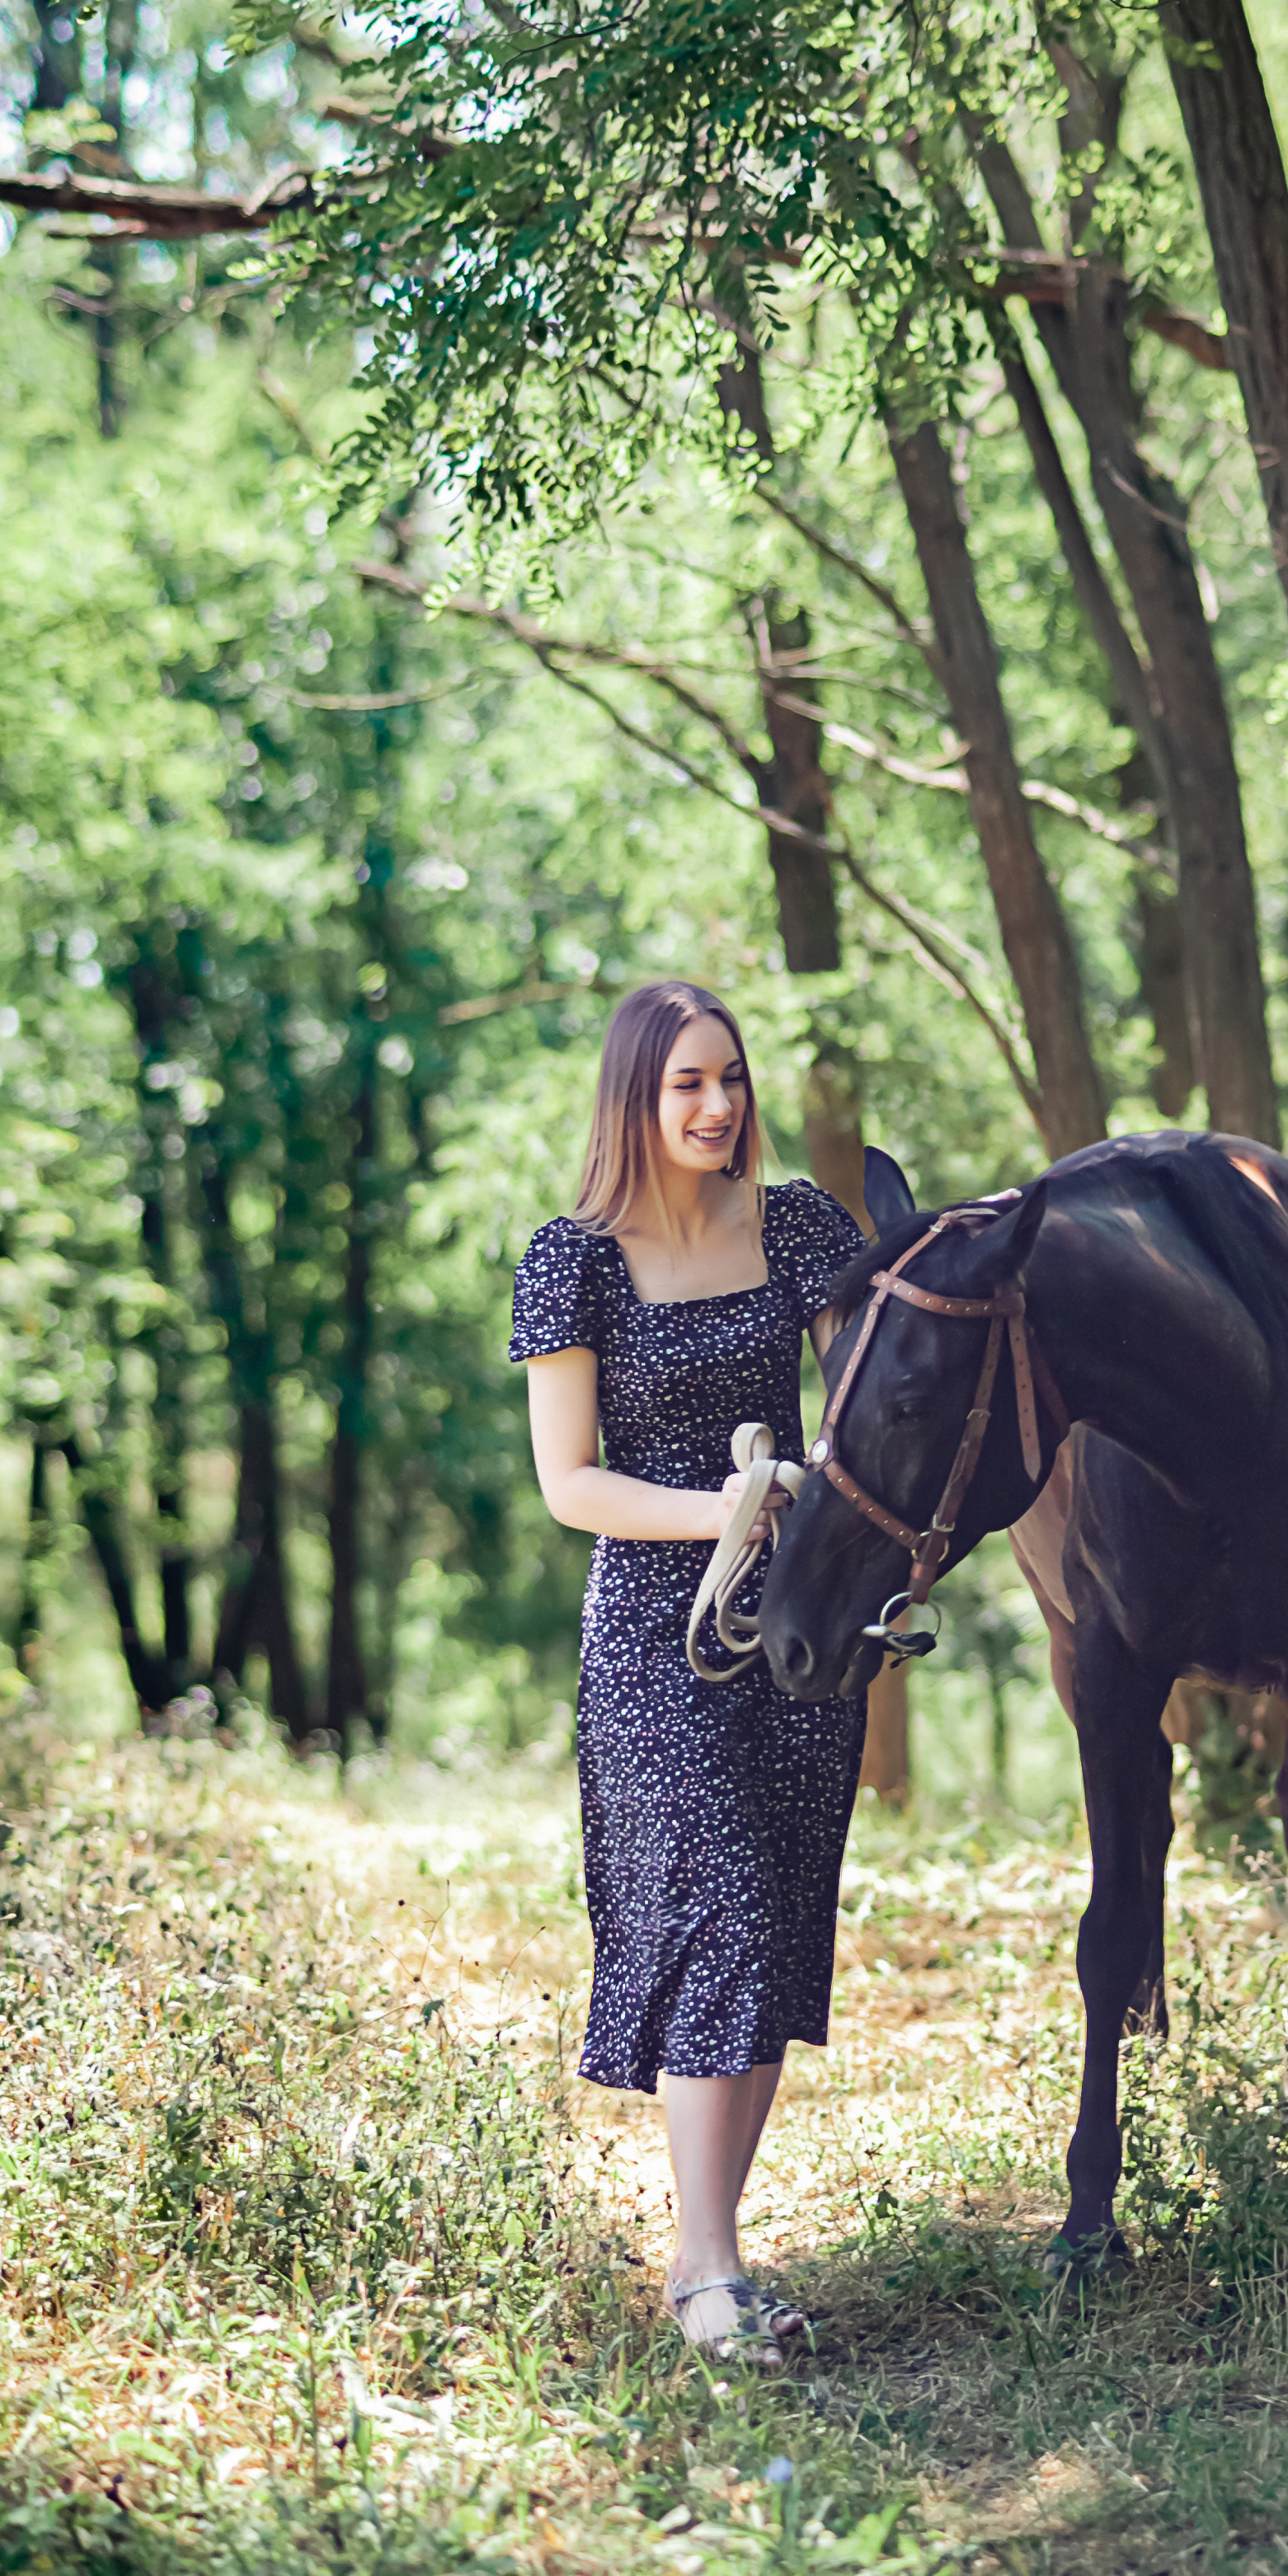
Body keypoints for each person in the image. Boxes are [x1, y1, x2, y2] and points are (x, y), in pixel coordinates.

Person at [510, 980, 867, 2361]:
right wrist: (720, 1511)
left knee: (772, 1922)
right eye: (687, 1084)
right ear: (635, 1096)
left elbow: (869, 1398)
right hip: (655, 1633)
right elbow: (569, 1483)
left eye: (731, 1078)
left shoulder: (797, 1227)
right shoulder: (572, 1260)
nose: (718, 1106)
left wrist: (827, 1506)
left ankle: (711, 2255)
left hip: (797, 1625)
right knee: (718, 1905)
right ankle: (709, 2272)